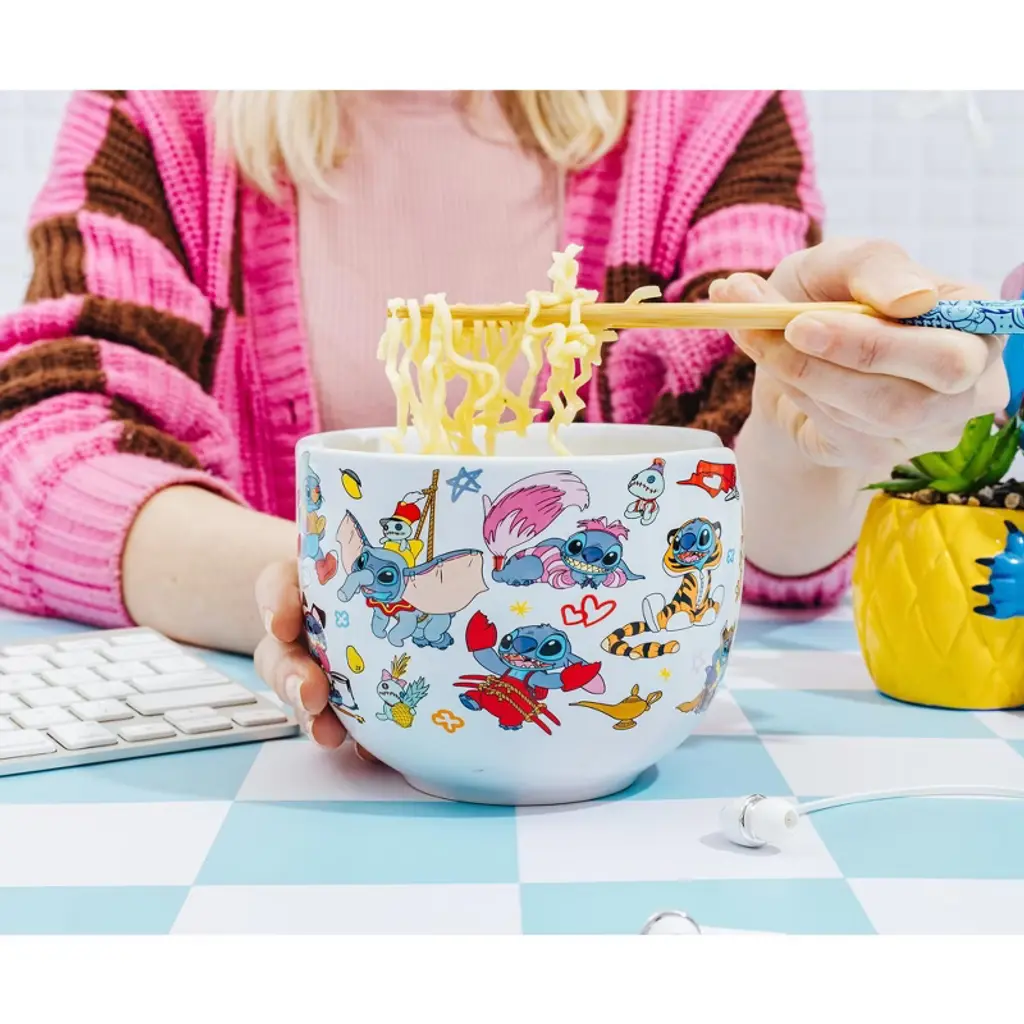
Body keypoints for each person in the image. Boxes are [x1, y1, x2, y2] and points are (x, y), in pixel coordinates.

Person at [0, 90, 1007, 752]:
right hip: (298, 736)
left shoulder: (706, 102)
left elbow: (751, 499)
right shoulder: (162, 105)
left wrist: (816, 417)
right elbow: (44, 447)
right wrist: (321, 589)